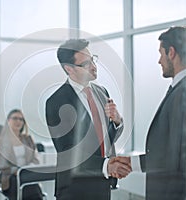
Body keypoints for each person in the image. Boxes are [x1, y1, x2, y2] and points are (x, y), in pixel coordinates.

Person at [114, 26, 186, 200]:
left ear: (171, 52)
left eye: (161, 53)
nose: (159, 60)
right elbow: (172, 153)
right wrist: (133, 162)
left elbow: (183, 160)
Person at [45, 39, 132, 200]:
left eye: (93, 59)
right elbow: (69, 152)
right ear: (69, 69)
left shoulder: (101, 92)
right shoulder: (56, 102)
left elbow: (105, 140)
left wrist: (118, 122)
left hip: (102, 183)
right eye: (86, 64)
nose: (93, 66)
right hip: (74, 190)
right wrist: (107, 165)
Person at [0, 109, 43, 200]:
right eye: (15, 118)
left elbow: (36, 160)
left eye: (21, 119)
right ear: (8, 121)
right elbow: (3, 165)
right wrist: (18, 171)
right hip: (10, 178)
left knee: (31, 184)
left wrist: (26, 170)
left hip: (28, 175)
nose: (18, 121)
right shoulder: (1, 141)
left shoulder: (28, 139)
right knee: (27, 186)